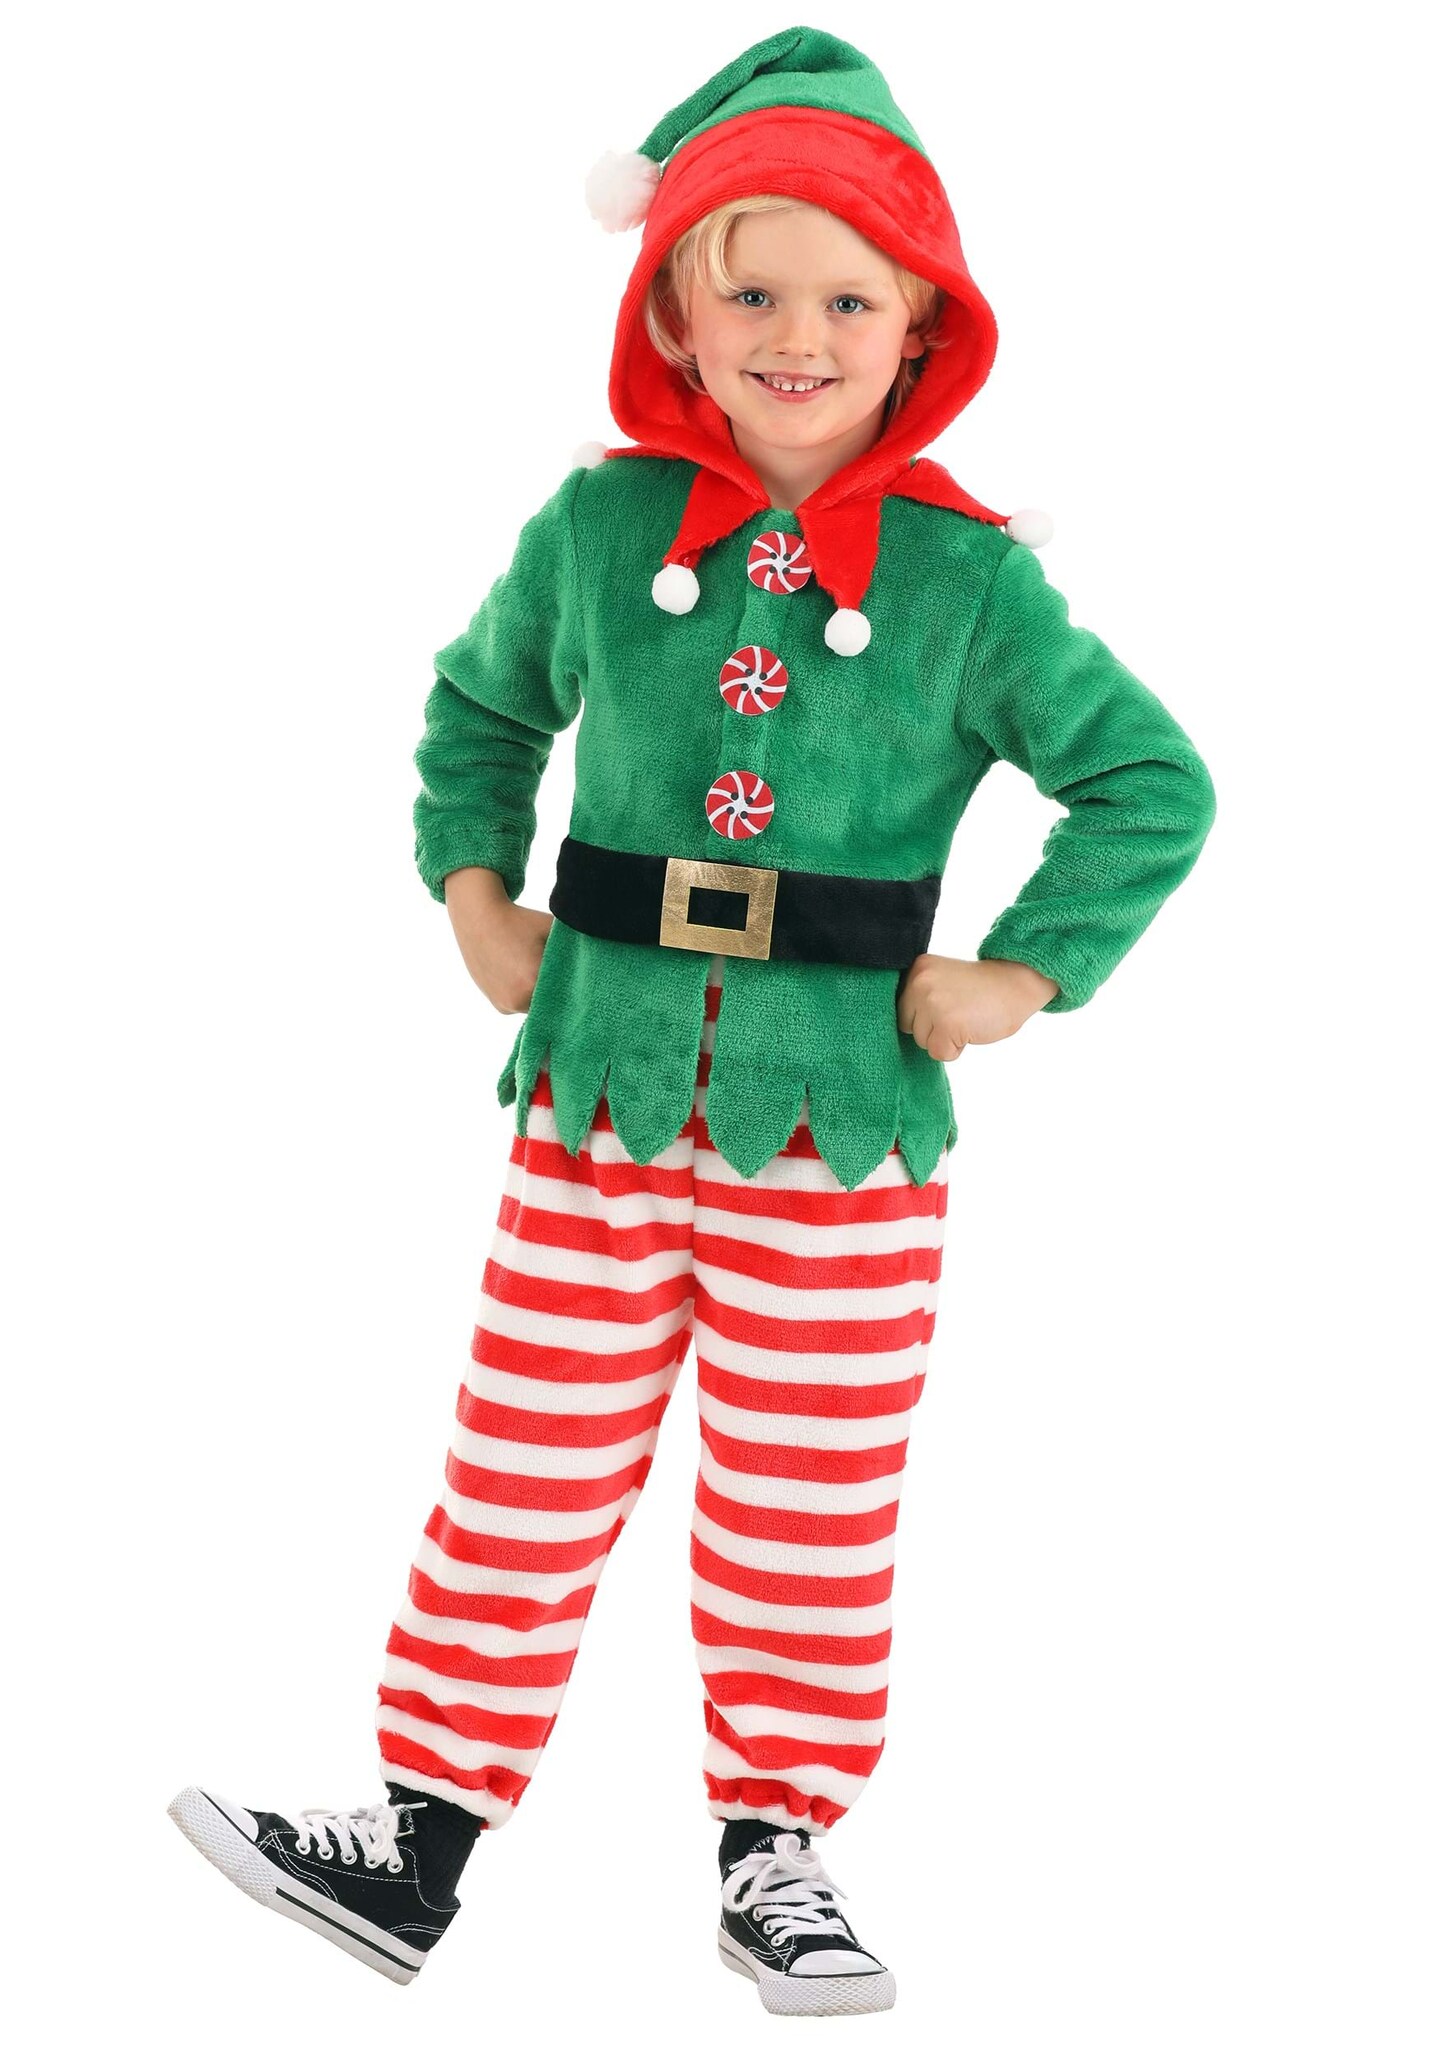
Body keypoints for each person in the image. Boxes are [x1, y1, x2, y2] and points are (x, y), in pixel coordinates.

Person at [168, 25, 1217, 2018]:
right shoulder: (596, 532)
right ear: (672, 309)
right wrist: (475, 892)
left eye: (847, 299)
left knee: (804, 1502)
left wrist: (1023, 968)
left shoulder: (971, 585)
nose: (795, 336)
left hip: (844, 1124)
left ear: (922, 324)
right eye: (750, 293)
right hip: (601, 1088)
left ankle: (775, 1852)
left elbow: (1151, 783)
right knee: (523, 1461)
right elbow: (481, 709)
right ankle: (420, 1834)